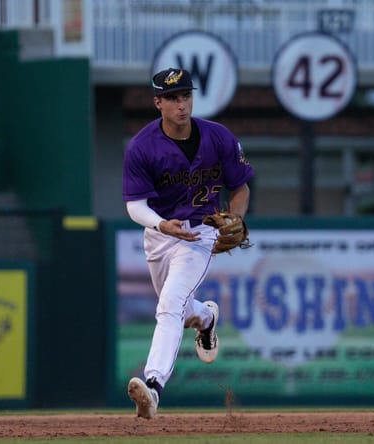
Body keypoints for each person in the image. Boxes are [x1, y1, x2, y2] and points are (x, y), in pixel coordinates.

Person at [122, 67, 254, 419]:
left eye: (185, 96)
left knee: (168, 306)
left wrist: (237, 217)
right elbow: (135, 206)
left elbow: (240, 187)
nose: (181, 105)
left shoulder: (218, 137)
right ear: (158, 103)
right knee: (180, 310)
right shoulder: (142, 147)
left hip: (200, 233)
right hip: (160, 235)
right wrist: (162, 223)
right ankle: (207, 317)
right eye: (172, 98)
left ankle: (153, 386)